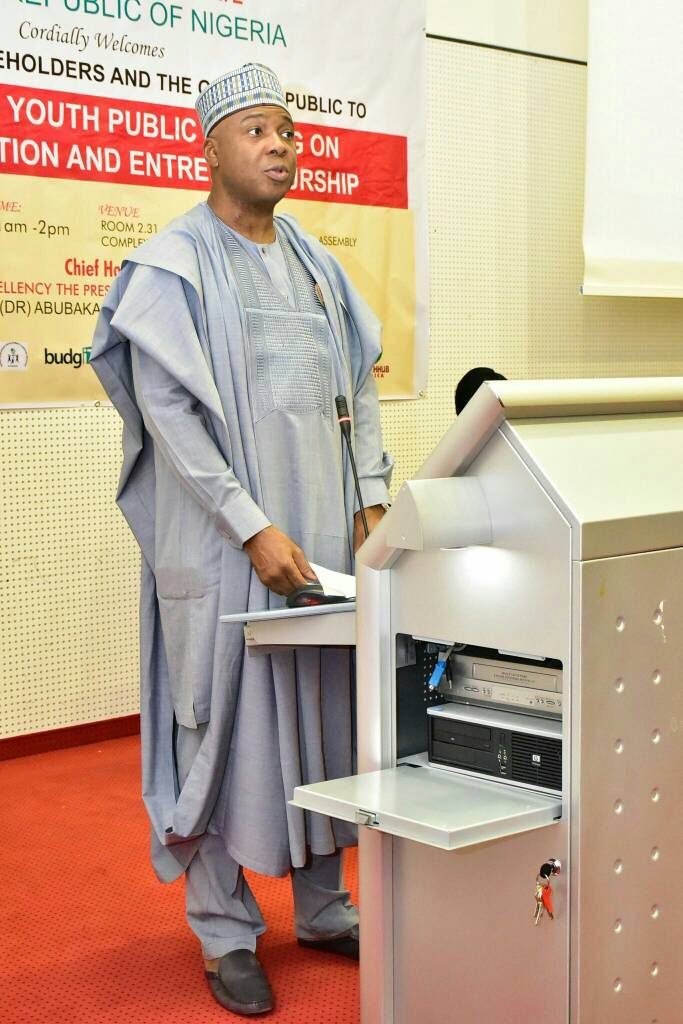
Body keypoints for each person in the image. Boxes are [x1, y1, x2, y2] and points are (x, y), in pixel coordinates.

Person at [90, 62, 392, 1016]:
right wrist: (251, 526)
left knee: (326, 717)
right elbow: (169, 416)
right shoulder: (170, 267)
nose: (279, 146)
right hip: (224, 551)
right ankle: (224, 936)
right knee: (217, 728)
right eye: (257, 130)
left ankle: (323, 909)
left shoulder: (316, 266)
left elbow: (357, 392)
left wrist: (371, 498)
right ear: (210, 147)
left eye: (288, 132)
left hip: (320, 545)